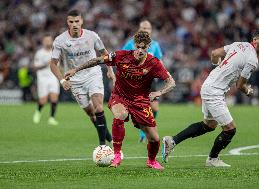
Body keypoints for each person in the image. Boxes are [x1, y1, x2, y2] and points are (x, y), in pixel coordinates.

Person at [65, 31, 176, 170]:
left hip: (140, 101)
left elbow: (171, 82)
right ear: (134, 45)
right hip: (120, 97)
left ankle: (151, 161)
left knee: (154, 138)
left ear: (149, 47)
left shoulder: (154, 63)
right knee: (120, 115)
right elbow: (98, 60)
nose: (140, 50)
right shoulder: (121, 56)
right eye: (138, 46)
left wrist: (159, 92)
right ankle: (117, 155)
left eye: (144, 47)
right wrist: (75, 69)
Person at [162, 27, 259, 167]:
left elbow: (215, 53)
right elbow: (240, 85)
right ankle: (212, 159)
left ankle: (172, 141)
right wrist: (249, 91)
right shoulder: (252, 60)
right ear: (255, 40)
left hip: (208, 84)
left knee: (209, 125)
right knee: (230, 129)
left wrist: (218, 65)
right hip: (214, 91)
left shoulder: (238, 44)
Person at [49, 10, 114, 145]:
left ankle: (102, 146)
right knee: (91, 113)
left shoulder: (92, 36)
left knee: (99, 108)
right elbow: (53, 64)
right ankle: (106, 134)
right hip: (75, 80)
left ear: (82, 21)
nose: (74, 24)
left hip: (93, 74)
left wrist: (110, 70)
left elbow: (104, 53)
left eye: (77, 21)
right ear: (67, 23)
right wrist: (62, 80)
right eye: (71, 22)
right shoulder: (60, 40)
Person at [122, 20, 163, 143]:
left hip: (150, 81)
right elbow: (122, 59)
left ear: (151, 31)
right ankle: (144, 131)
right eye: (143, 28)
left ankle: (144, 131)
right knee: (137, 109)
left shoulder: (155, 45)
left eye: (148, 28)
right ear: (139, 30)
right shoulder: (130, 44)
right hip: (134, 81)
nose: (145, 30)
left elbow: (159, 61)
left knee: (154, 109)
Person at [32, 35, 60, 125]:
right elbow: (35, 67)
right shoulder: (39, 53)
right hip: (43, 78)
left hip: (53, 77)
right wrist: (46, 63)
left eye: (49, 40)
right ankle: (38, 111)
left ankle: (51, 118)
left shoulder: (56, 52)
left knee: (54, 98)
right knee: (43, 100)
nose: (48, 42)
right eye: (46, 40)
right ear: (43, 42)